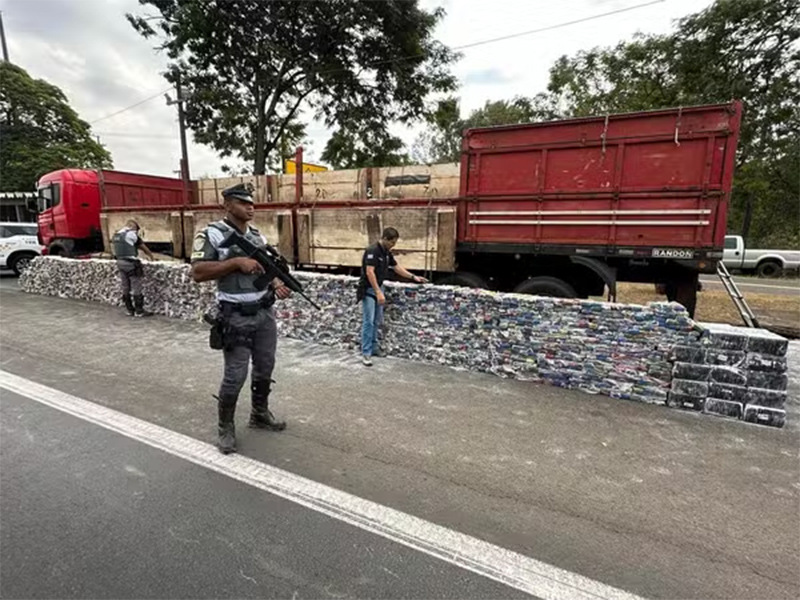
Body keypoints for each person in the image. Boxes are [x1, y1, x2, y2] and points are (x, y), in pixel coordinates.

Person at [190, 183, 292, 455]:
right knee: (236, 374)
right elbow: (198, 272)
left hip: (264, 313)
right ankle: (225, 427)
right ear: (227, 205)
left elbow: (266, 270)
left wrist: (277, 282)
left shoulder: (257, 237)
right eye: (242, 202)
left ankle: (259, 414)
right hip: (235, 316)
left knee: (265, 367)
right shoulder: (210, 234)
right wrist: (235, 263)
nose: (250, 207)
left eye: (252, 203)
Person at [357, 227, 427, 366]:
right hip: (368, 289)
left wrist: (413, 277)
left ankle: (374, 348)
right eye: (392, 242)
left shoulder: (386, 253)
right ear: (385, 239)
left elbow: (396, 267)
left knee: (377, 321)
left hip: (378, 287)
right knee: (368, 322)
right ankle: (366, 353)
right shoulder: (373, 251)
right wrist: (378, 292)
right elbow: (370, 272)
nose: (393, 245)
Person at [112, 219, 155, 317]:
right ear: (133, 227)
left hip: (120, 263)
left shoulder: (116, 235)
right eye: (136, 229)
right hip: (131, 264)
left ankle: (129, 310)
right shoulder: (131, 234)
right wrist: (151, 256)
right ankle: (139, 311)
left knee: (125, 287)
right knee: (136, 287)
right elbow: (143, 247)